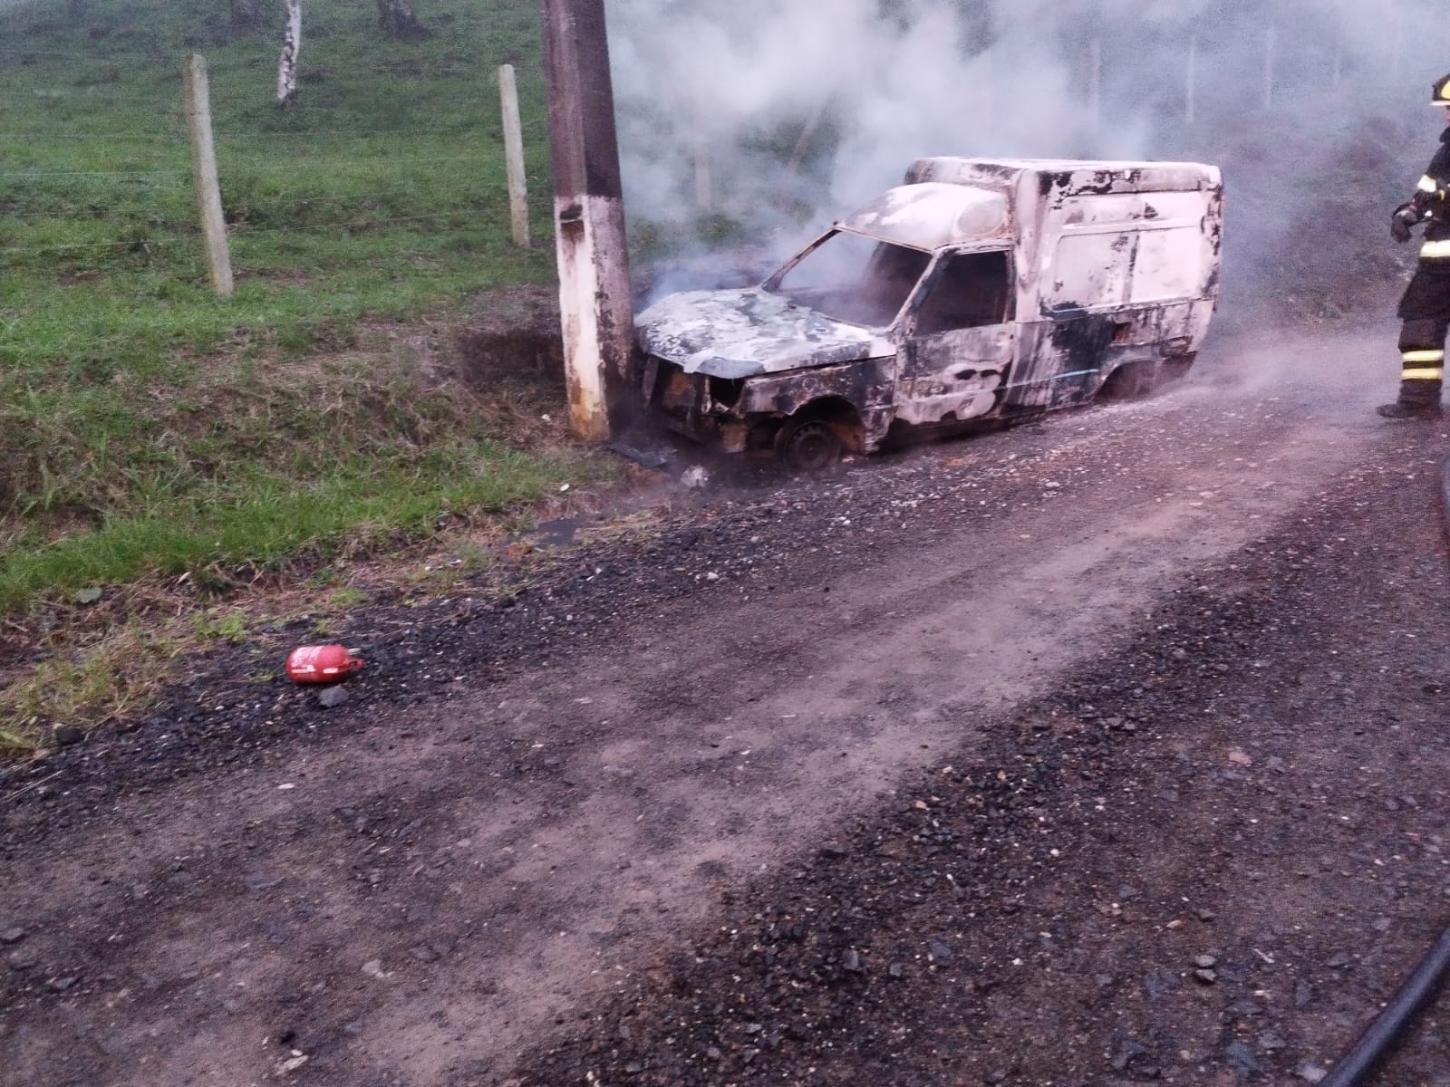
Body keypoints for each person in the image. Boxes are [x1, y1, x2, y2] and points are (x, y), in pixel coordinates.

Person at [1381, 74, 1450, 420]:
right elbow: (1422, 196)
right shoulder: (1445, 153)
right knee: (1420, 325)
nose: (1447, 115)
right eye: (1447, 109)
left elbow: (1439, 195)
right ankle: (1418, 402)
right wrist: (1405, 214)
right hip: (1438, 265)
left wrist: (1443, 196)